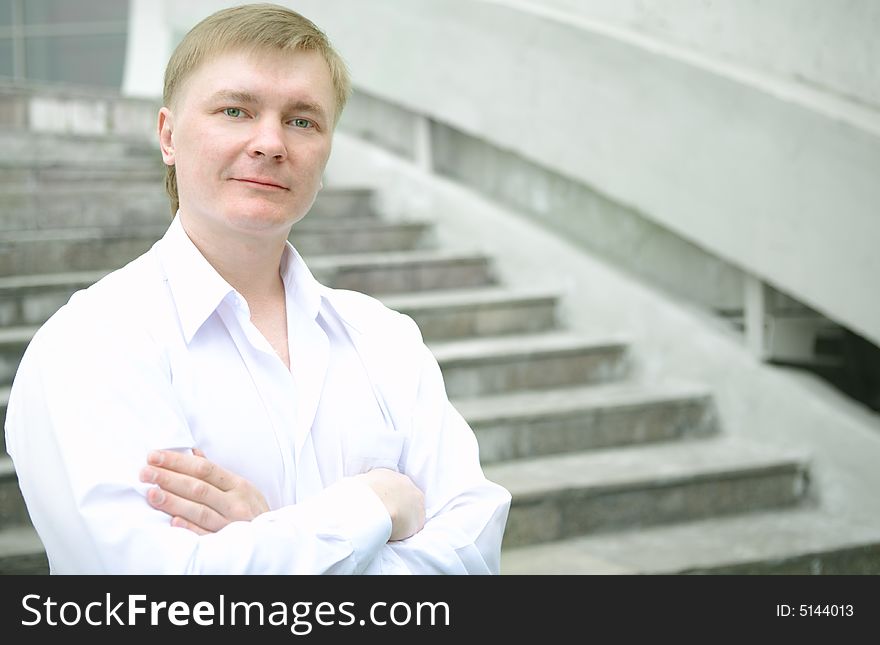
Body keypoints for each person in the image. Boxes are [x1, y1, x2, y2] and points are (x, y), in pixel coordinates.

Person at [5, 3, 511, 574]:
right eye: (235, 110)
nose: (270, 142)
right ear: (168, 136)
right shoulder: (91, 345)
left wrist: (271, 533)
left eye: (302, 120)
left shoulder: (387, 341)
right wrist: (374, 506)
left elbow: (472, 560)